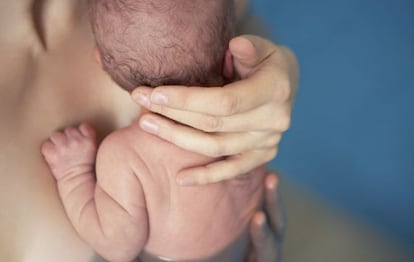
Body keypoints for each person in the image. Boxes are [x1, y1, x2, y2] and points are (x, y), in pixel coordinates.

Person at [0, 0, 297, 261]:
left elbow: (117, 246)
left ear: (101, 61)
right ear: (227, 59)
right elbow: (240, 33)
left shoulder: (125, 155)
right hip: (242, 240)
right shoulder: (231, 93)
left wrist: (74, 174)